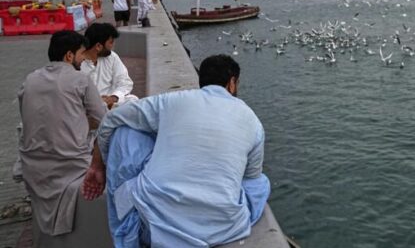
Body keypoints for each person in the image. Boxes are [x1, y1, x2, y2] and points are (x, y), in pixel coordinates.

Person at [85, 55, 270, 247]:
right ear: (232, 83)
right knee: (261, 182)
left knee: (124, 132)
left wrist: (98, 165)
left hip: (155, 228)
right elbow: (251, 180)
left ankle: (126, 234)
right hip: (224, 230)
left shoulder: (171, 101)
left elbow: (111, 119)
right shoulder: (253, 121)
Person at [18, 31, 107, 240]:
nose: (83, 59)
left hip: (32, 165)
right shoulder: (80, 79)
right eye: (81, 54)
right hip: (70, 165)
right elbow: (105, 119)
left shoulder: (30, 79)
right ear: (69, 55)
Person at [82, 23, 136, 108]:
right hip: (87, 108)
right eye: (111, 42)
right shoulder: (77, 64)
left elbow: (125, 82)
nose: (113, 46)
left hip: (110, 104)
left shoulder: (112, 57)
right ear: (98, 46)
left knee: (133, 100)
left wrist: (113, 98)